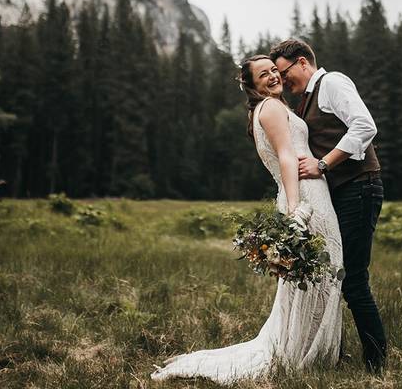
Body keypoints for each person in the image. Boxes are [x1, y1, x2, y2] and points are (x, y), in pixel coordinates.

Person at [151, 55, 343, 384]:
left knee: (314, 277)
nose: (272, 77)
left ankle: (312, 350)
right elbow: (285, 155)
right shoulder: (269, 108)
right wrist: (296, 209)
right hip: (305, 196)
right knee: (319, 274)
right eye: (262, 75)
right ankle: (304, 354)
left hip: (306, 192)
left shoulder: (270, 108)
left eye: (273, 71)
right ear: (251, 86)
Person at [270, 39, 387, 373]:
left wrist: (323, 165)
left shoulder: (332, 83)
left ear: (303, 62)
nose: (283, 81)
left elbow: (365, 126)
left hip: (360, 187)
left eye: (284, 72)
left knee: (353, 279)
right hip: (345, 191)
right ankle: (348, 354)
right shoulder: (306, 99)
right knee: (340, 277)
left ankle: (377, 364)